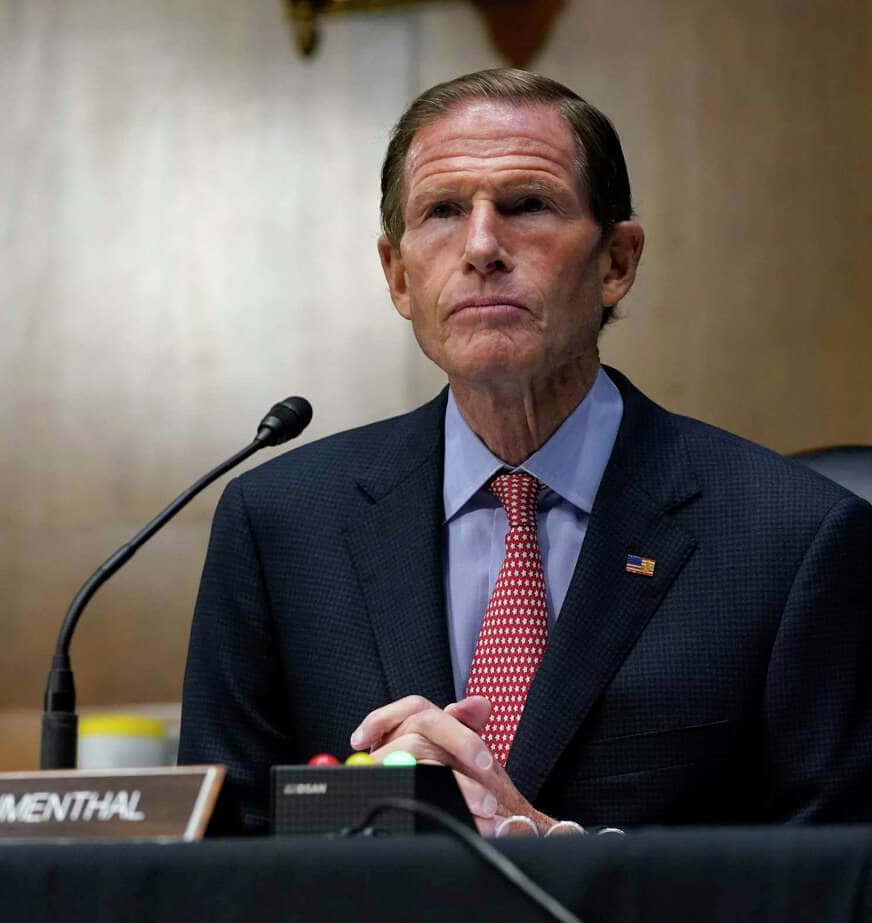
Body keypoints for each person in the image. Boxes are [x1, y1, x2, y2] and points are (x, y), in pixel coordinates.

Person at [177, 69, 872, 835]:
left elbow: (829, 883)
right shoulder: (279, 526)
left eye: (527, 205)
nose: (481, 245)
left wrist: (561, 861)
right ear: (398, 276)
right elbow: (222, 861)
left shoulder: (792, 539)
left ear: (616, 262)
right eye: (443, 211)